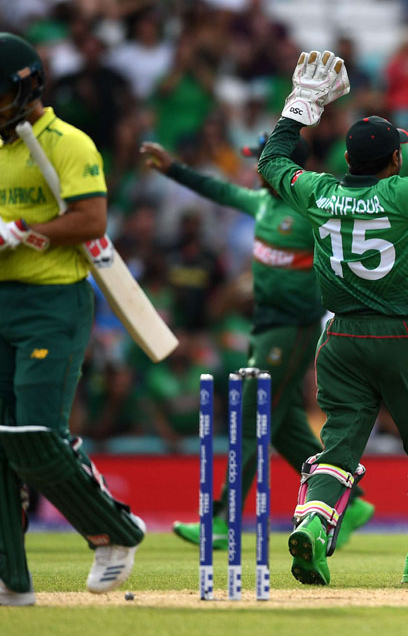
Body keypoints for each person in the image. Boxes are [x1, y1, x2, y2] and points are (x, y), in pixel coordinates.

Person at [0, 32, 145, 606]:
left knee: (36, 437)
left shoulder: (69, 144)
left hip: (53, 301)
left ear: (28, 87)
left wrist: (21, 231)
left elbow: (92, 220)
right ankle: (2, 575)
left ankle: (115, 532)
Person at [257, 51, 408, 586]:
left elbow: (271, 163)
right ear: (395, 160)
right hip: (400, 334)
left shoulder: (318, 191)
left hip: (339, 336)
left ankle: (314, 525)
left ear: (348, 158)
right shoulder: (404, 193)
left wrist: (300, 106)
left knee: (338, 444)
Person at [139, 135, 375, 551]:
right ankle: (350, 501)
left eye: (262, 161)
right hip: (265, 328)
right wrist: (173, 168)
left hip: (293, 329)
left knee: (250, 418)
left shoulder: (312, 208)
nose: (254, 169)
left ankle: (222, 521)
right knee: (282, 426)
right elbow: (218, 190)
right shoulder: (261, 202)